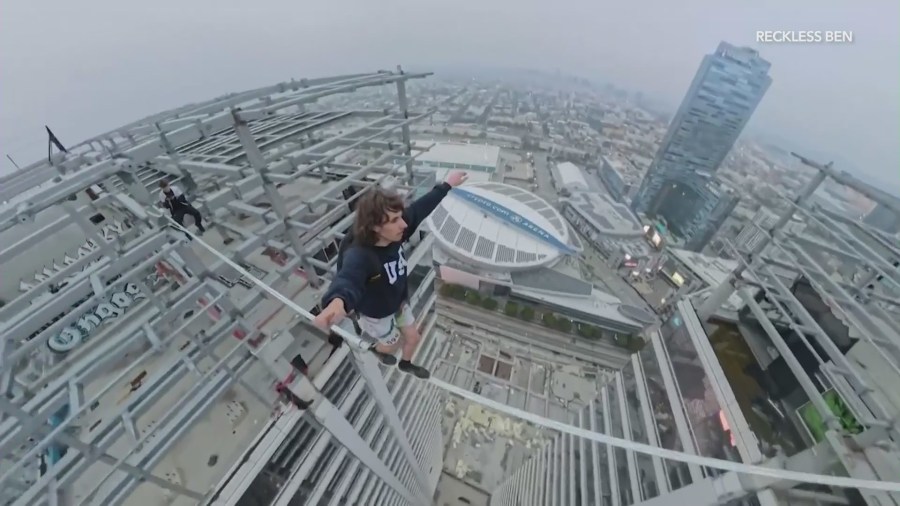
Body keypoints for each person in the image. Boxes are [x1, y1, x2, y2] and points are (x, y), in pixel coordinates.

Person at [313, 171, 468, 379]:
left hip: (397, 301)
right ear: (375, 227)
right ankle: (377, 350)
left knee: (413, 337)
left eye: (400, 217)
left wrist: (447, 184)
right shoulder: (361, 255)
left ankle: (406, 364)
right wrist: (337, 302)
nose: (403, 225)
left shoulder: (396, 232)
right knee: (393, 343)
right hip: (377, 314)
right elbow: (348, 279)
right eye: (395, 220)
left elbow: (420, 208)